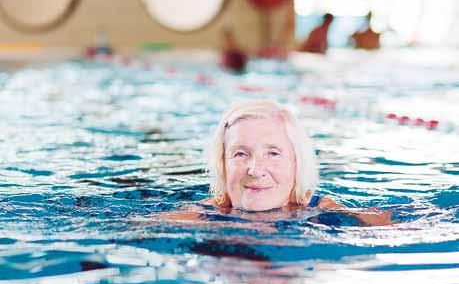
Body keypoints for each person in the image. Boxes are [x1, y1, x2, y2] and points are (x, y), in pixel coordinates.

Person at [157, 100, 392, 227]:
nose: (255, 170)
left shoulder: (325, 211)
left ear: (296, 162)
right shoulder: (196, 218)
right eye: (240, 154)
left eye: (273, 153)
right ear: (222, 163)